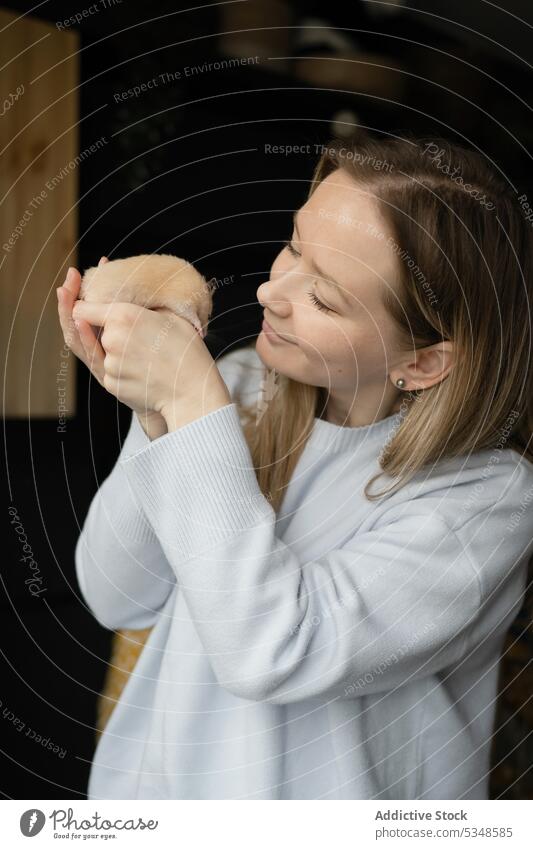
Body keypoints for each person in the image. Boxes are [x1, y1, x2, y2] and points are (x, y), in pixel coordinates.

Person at [58, 133, 533, 800]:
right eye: (293, 246)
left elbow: (271, 650)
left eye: (325, 298)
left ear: (422, 361)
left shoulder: (484, 502)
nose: (267, 291)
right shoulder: (240, 383)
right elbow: (116, 592)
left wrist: (189, 402)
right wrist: (156, 411)